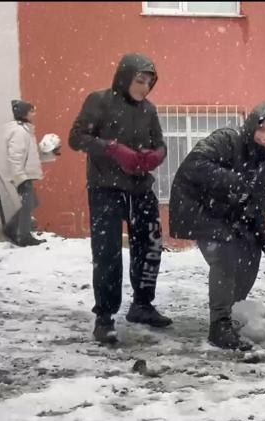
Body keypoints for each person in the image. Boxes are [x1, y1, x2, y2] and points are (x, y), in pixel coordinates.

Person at [169, 101, 265, 351]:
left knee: (250, 251)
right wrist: (237, 183)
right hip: (198, 209)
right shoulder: (228, 139)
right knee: (225, 253)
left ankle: (233, 310)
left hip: (229, 216)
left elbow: (256, 212)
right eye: (262, 129)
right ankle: (219, 324)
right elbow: (195, 165)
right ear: (251, 126)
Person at [69, 53, 172, 344]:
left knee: (150, 245)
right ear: (125, 77)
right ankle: (104, 317)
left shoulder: (148, 110)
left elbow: (160, 144)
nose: (144, 88)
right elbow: (76, 138)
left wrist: (156, 156)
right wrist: (112, 148)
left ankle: (142, 304)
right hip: (106, 188)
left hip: (140, 188)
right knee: (107, 252)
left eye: (149, 83)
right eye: (139, 81)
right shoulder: (98, 101)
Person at [3, 99, 60, 247]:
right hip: (22, 175)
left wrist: (50, 152)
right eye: (31, 111)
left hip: (24, 174)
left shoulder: (26, 130)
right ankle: (23, 236)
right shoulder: (20, 132)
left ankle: (12, 230)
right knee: (28, 203)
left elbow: (32, 155)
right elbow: (15, 156)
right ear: (24, 113)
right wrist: (19, 177)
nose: (34, 114)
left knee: (31, 202)